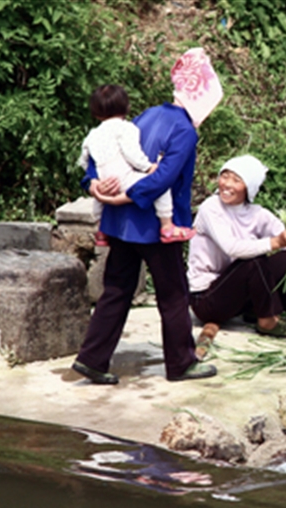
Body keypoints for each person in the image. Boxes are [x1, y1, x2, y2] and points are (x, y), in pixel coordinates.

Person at [71, 47, 223, 385]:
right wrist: (129, 196)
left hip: (119, 224)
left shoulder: (149, 114)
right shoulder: (185, 130)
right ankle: (181, 363)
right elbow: (164, 177)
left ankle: (92, 359)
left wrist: (93, 184)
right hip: (154, 226)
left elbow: (104, 149)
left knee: (116, 289)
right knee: (173, 294)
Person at [187, 155, 286, 337]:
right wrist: (274, 242)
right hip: (207, 299)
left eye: (236, 180)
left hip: (236, 296)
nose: (227, 184)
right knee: (254, 260)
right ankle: (267, 321)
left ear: (249, 188)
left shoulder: (256, 213)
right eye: (224, 176)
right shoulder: (210, 208)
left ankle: (263, 311)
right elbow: (232, 248)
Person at [76, 84, 194, 247]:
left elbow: (86, 160)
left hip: (105, 181)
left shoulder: (93, 134)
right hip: (125, 180)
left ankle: (101, 229)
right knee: (162, 186)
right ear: (127, 107)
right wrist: (148, 167)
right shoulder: (127, 128)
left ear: (95, 113)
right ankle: (167, 226)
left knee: (99, 201)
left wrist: (94, 183)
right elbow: (132, 154)